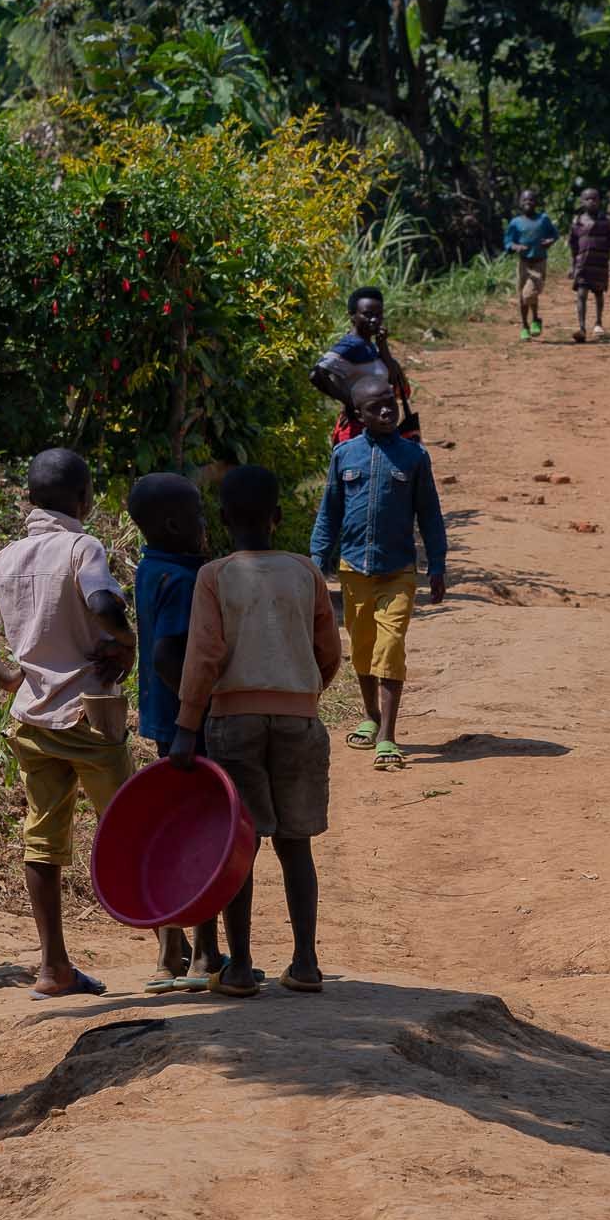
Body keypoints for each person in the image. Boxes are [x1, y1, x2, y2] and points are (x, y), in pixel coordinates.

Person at [0, 448, 137, 1000]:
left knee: (43, 841)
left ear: (29, 499)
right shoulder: (83, 547)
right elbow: (102, 599)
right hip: (89, 717)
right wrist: (126, 642)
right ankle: (171, 949)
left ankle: (53, 967)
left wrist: (8, 678)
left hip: (31, 719)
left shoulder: (9, 557)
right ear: (85, 499)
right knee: (129, 826)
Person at [166, 465, 341, 998]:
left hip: (232, 722)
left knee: (241, 846)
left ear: (220, 520)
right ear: (279, 517)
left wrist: (185, 727)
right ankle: (306, 962)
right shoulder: (305, 571)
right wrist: (302, 692)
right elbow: (328, 651)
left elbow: (204, 657)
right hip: (299, 716)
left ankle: (239, 966)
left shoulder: (214, 576)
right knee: (296, 843)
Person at [311, 373, 449, 772]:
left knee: (389, 648)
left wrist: (437, 564)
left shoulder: (414, 457)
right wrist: (316, 560)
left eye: (391, 402)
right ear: (359, 413)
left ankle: (388, 735)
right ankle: (370, 715)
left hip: (399, 570)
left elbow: (430, 514)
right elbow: (329, 512)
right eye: (377, 407)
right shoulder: (345, 455)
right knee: (363, 647)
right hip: (353, 569)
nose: (388, 411)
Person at [127, 471, 226, 993]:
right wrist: (202, 705)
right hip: (192, 722)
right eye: (196, 515)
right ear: (171, 524)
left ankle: (169, 950)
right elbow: (170, 654)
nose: (205, 524)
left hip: (165, 721)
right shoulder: (186, 580)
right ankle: (205, 952)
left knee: (176, 825)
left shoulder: (152, 569)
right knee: (205, 831)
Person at [311, 286, 419, 443]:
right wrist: (351, 403)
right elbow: (316, 374)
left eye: (378, 314)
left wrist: (383, 347)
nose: (374, 320)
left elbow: (393, 379)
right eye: (367, 315)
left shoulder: (369, 345)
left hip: (376, 426)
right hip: (357, 431)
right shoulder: (351, 345)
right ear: (352, 316)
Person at [504, 188, 559, 341]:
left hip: (539, 262)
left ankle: (535, 319)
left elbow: (554, 234)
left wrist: (550, 241)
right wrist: (515, 247)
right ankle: (525, 325)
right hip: (523, 263)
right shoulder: (516, 222)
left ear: (536, 203)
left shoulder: (543, 219)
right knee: (522, 296)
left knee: (530, 293)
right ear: (519, 203)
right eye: (525, 200)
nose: (528, 202)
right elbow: (508, 241)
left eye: (531, 200)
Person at [566, 186, 610, 343]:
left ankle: (598, 322)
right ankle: (581, 327)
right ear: (582, 202)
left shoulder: (606, 222)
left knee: (598, 293)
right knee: (581, 294)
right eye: (588, 199)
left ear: (600, 201)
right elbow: (573, 247)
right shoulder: (577, 223)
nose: (592, 202)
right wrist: (572, 266)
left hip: (600, 264)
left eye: (595, 198)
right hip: (582, 264)